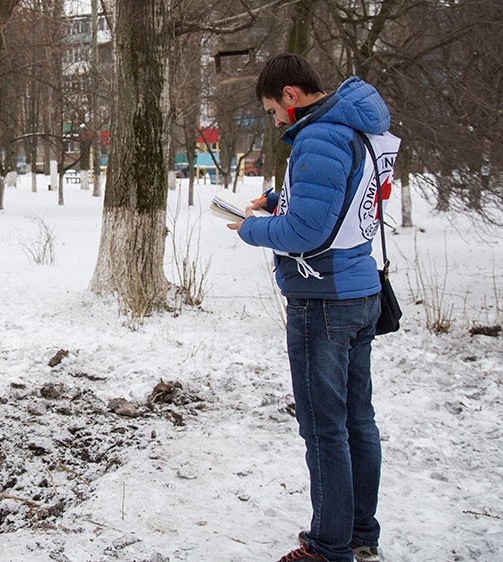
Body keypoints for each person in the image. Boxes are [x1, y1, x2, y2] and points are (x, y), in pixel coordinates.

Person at [227, 53, 389, 562]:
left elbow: (308, 231)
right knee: (356, 420)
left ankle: (327, 547)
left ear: (290, 96)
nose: (276, 120)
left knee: (325, 427)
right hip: (359, 293)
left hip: (323, 300)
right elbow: (343, 194)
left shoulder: (319, 136)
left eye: (274, 110)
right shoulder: (351, 127)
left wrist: (250, 228)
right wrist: (279, 197)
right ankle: (359, 532)